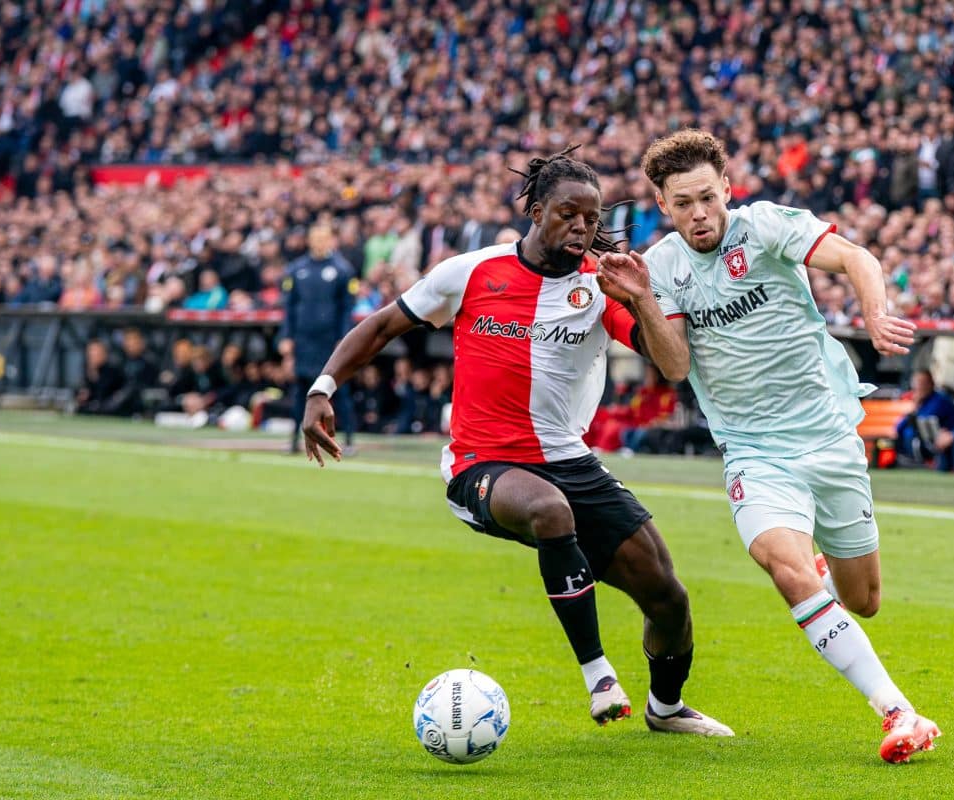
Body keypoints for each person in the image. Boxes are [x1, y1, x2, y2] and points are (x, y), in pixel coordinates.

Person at [303, 147, 731, 736]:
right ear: (534, 210)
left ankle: (665, 709)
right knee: (550, 513)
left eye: (591, 217)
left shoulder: (601, 285)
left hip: (569, 459)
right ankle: (598, 673)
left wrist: (641, 299)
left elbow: (672, 364)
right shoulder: (470, 272)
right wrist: (322, 388)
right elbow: (380, 327)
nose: (582, 228)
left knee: (668, 596)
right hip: (482, 464)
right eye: (567, 214)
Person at [598, 128, 939, 762]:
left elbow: (858, 258)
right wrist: (643, 300)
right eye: (682, 204)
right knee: (783, 566)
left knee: (862, 601)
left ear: (727, 188)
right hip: (754, 449)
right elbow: (674, 367)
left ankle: (822, 586)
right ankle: (898, 712)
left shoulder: (766, 226)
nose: (699, 214)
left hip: (829, 435)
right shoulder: (663, 267)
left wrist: (873, 311)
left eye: (707, 197)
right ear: (662, 205)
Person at [280, 222, 357, 454]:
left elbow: (347, 308)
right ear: (310, 240)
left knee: (339, 391)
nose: (320, 242)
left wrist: (344, 338)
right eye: (316, 238)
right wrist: (286, 337)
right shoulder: (296, 269)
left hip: (330, 341)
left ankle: (350, 440)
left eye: (324, 238)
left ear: (331, 240)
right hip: (304, 341)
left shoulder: (342, 270)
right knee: (301, 392)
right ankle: (295, 439)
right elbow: (289, 307)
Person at [894, 369, 954, 468]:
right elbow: (898, 428)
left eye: (923, 383)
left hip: (946, 443)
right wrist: (916, 407)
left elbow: (925, 420)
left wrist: (917, 405)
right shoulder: (921, 402)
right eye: (917, 384)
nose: (920, 387)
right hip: (929, 444)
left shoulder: (940, 400)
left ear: (931, 384)